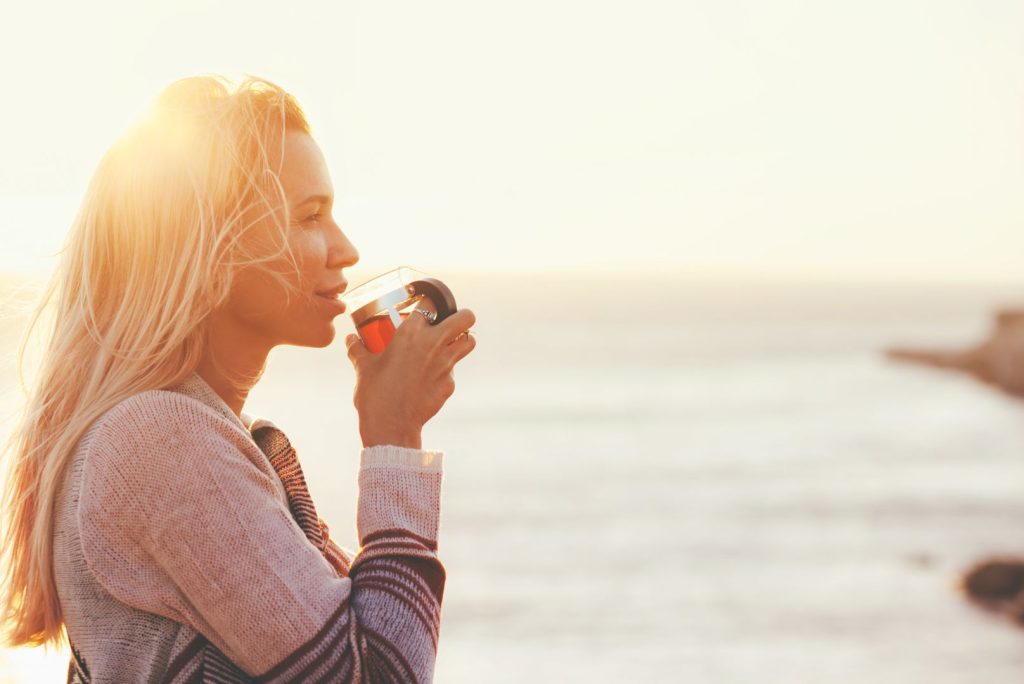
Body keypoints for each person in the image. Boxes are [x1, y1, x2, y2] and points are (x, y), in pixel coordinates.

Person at [0, 74, 476, 682]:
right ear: (210, 246)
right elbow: (379, 672)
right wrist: (393, 436)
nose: (346, 249)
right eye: (310, 217)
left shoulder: (204, 436)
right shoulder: (159, 441)